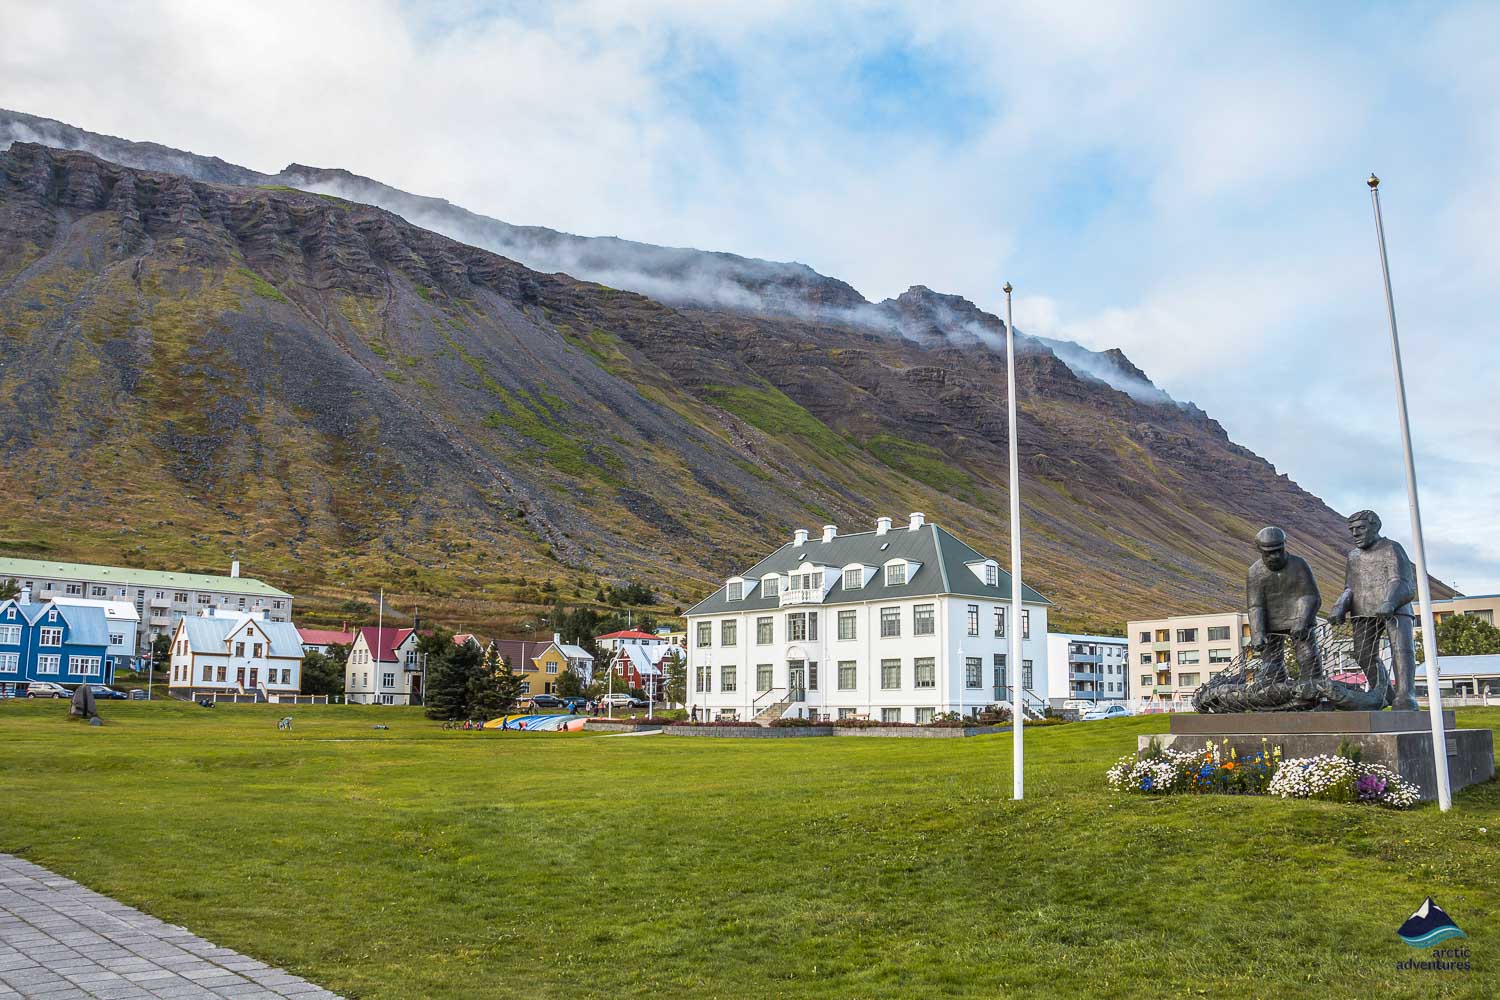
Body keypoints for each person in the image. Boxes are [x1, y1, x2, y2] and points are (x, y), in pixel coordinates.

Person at [1328, 510, 1418, 710]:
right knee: (1363, 654)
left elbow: (1401, 581)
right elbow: (1350, 588)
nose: (1355, 534)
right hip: (1363, 610)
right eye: (1352, 530)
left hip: (1394, 609)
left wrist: (1389, 602)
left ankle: (1406, 696)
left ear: (1375, 527)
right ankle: (1386, 694)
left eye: (1360, 528)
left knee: (1401, 650)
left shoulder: (1392, 548)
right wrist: (1340, 606)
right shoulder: (1353, 556)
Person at [1246, 526, 1322, 682]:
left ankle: (1313, 690)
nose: (1274, 556)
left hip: (1299, 620)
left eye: (1278, 551)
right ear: (1261, 551)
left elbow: (1311, 595)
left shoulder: (1299, 564)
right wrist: (1257, 633)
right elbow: (1255, 605)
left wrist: (1302, 621)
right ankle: (1275, 695)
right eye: (1269, 553)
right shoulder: (1254, 572)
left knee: (1308, 657)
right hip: (1270, 624)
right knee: (1271, 665)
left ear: (1284, 546)